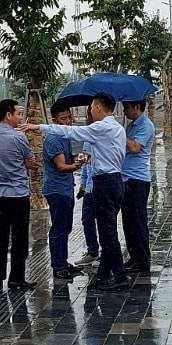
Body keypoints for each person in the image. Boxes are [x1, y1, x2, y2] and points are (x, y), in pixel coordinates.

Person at [20, 92, 128, 291]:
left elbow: (72, 133)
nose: (90, 111)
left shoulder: (101, 127)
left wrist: (38, 127)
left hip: (106, 183)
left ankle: (120, 276)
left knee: (108, 233)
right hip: (113, 181)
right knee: (106, 231)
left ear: (97, 107)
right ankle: (104, 275)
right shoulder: (117, 128)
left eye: (91, 107)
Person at [0, 99, 37, 290]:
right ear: (8, 115)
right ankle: (16, 277)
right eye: (18, 114)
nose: (20, 117)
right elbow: (30, 162)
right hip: (18, 194)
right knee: (19, 237)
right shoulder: (18, 137)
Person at [42, 102, 85, 279]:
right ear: (54, 120)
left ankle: (63, 260)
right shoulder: (53, 138)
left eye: (69, 117)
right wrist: (78, 164)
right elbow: (61, 166)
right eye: (63, 118)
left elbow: (66, 160)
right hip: (57, 189)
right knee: (59, 227)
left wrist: (74, 158)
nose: (68, 121)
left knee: (66, 226)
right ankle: (58, 265)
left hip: (65, 188)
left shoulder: (64, 136)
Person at [120, 100, 155, 274]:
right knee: (128, 222)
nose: (125, 111)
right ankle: (133, 257)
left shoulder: (146, 125)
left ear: (137, 107)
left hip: (137, 180)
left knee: (138, 221)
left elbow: (134, 147)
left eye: (127, 107)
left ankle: (142, 260)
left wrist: (119, 134)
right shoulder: (131, 125)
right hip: (126, 178)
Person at [74, 107, 99, 267]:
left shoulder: (103, 135)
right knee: (87, 219)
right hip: (89, 187)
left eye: (89, 114)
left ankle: (100, 251)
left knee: (104, 221)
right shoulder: (88, 138)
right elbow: (85, 164)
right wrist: (82, 185)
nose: (86, 117)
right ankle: (93, 250)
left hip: (102, 185)